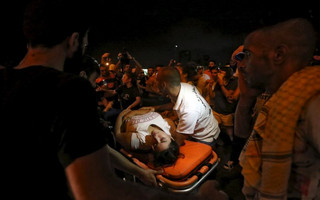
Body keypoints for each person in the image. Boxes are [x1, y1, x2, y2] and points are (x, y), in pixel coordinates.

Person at [0, 0, 227, 199]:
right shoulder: (68, 89)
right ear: (73, 41)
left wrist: (140, 172)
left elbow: (86, 147)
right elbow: (99, 189)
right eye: (86, 43)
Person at [238, 18, 320, 199]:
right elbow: (242, 134)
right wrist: (245, 98)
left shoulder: (312, 103)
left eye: (248, 54)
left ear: (278, 55)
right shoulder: (279, 97)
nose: (242, 65)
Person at [142, 67, 220, 148]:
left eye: (156, 81)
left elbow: (178, 140)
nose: (155, 84)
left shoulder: (189, 108)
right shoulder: (184, 86)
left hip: (206, 138)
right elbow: (174, 104)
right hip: (204, 127)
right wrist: (155, 108)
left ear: (163, 85)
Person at [115, 109, 180, 167]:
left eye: (155, 144)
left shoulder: (139, 140)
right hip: (137, 108)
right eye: (162, 139)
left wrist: (121, 115)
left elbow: (117, 136)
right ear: (170, 137)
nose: (155, 137)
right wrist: (137, 112)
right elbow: (152, 110)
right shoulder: (169, 125)